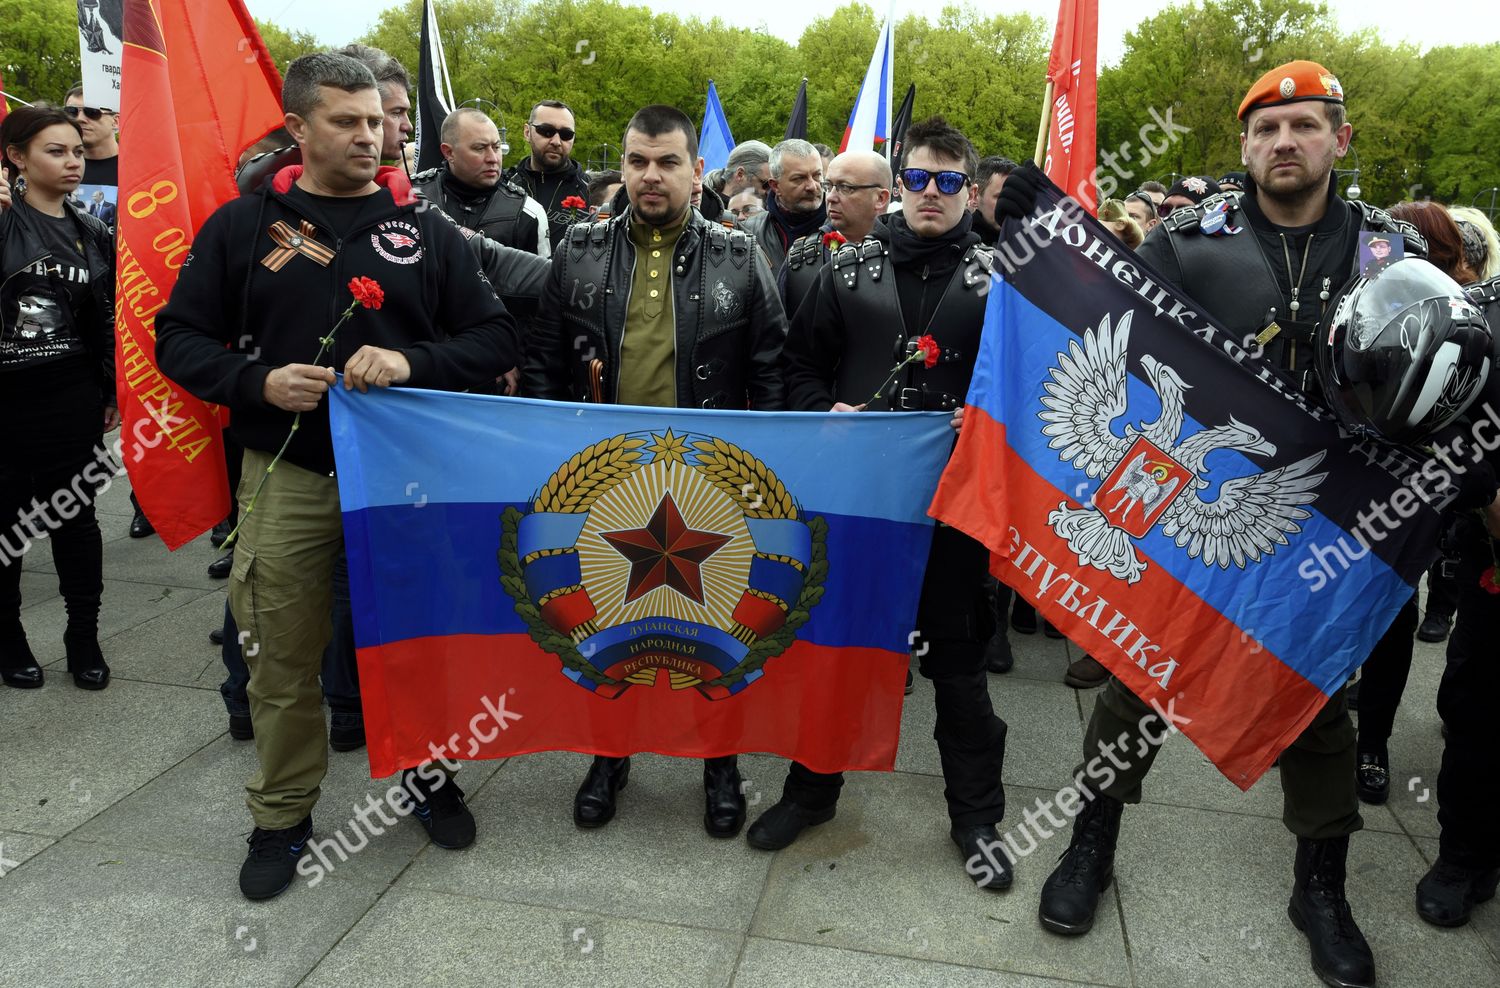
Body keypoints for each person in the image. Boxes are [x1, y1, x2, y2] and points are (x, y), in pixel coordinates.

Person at [1000, 60, 1425, 988]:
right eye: (1268, 131)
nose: (1285, 143)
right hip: (1188, 520)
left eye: (1306, 127)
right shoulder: (1191, 244)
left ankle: (1321, 885)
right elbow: (1101, 319)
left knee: (1317, 709)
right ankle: (1091, 843)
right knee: (1134, 682)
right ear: (1245, 145)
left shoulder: (1393, 259)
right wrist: (1039, 239)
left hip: (1318, 538)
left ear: (1339, 140)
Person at [156, 53, 520, 901]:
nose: (373, 136)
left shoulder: (425, 230)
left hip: (409, 483)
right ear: (298, 128)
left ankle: (429, 778)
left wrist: (410, 359)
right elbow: (178, 337)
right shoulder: (242, 227)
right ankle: (282, 818)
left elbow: (498, 339)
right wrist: (255, 383)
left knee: (420, 642)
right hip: (287, 474)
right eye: (348, 121)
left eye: (380, 120)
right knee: (279, 654)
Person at [521, 103, 788, 838]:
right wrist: (555, 458)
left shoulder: (741, 256)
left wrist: (757, 480)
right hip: (603, 480)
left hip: (711, 484)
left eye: (668, 162)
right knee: (604, 626)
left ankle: (720, 764)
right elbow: (544, 361)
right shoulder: (577, 251)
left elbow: (771, 374)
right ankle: (609, 756)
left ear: (698, 171)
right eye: (637, 160)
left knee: (718, 628)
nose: (649, 176)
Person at [763, 117, 1012, 891]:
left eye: (947, 181)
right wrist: (823, 413)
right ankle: (810, 791)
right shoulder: (845, 272)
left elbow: (1040, 392)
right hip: (861, 505)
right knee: (837, 650)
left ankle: (976, 818)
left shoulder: (1004, 279)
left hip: (956, 512)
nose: (930, 193)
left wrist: (991, 419)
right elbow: (794, 368)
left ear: (970, 193)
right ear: (897, 186)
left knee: (959, 665)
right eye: (917, 178)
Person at [1350, 199, 1479, 804]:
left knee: (1392, 619)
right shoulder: (1364, 303)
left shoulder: (1466, 322)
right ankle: (1317, 731)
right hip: (1351, 480)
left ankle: (1371, 745)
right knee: (1333, 612)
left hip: (1415, 493)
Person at [0, 105, 117, 692]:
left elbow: (107, 319)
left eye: (76, 151)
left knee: (77, 519)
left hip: (72, 398)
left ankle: (83, 635)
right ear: (17, 158)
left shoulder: (93, 229)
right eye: (56, 151)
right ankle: (9, 638)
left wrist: (111, 386)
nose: (73, 162)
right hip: (6, 402)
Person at [1417, 271, 1500, 929]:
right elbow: (1438, 414)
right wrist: (1488, 497)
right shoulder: (1485, 316)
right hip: (1494, 552)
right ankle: (1462, 856)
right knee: (1479, 711)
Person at [411, 107, 550, 258]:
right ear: (449, 152)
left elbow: (539, 278)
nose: (493, 158)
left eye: (496, 147)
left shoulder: (528, 213)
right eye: (480, 148)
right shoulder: (411, 195)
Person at [778, 149, 890, 319]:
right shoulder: (800, 259)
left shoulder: (904, 257)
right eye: (828, 186)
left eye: (845, 187)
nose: (830, 197)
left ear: (880, 198)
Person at [504, 99, 590, 252]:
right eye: (546, 131)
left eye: (566, 134)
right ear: (527, 132)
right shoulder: (505, 186)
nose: (556, 141)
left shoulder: (592, 191)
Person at [741, 139, 826, 269]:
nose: (812, 186)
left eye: (817, 175)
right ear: (775, 186)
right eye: (799, 178)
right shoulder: (749, 233)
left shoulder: (846, 226)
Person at [970, 155, 1017, 242]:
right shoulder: (960, 246)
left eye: (1014, 198)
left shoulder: (1029, 241)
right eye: (1000, 197)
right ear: (975, 196)